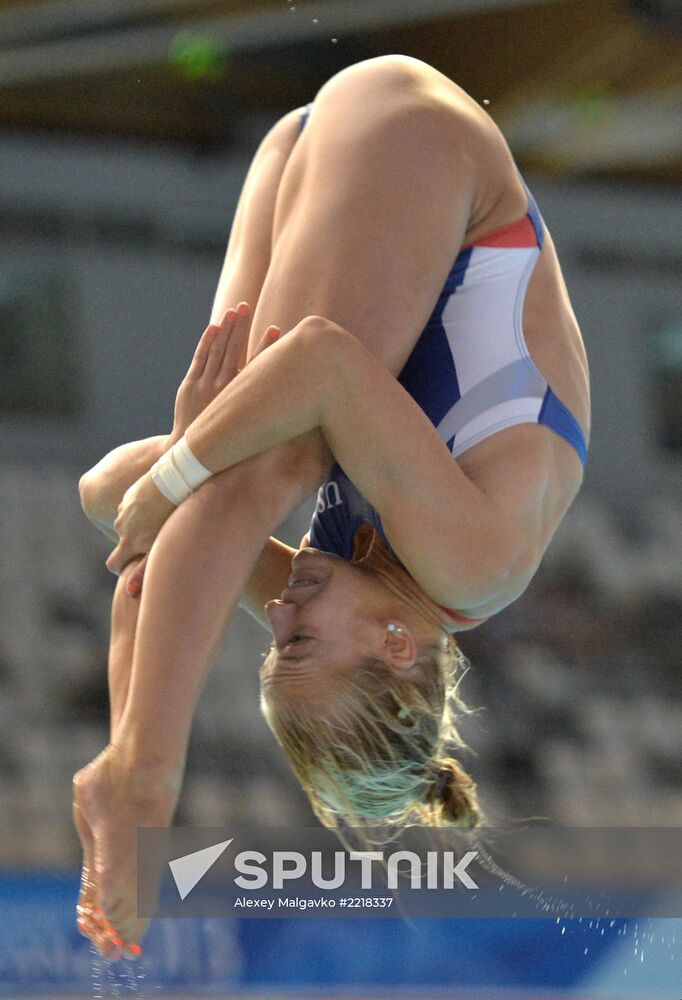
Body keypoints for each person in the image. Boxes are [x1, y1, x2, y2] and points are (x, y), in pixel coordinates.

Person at [73, 54, 590, 959]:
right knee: (262, 459)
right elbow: (316, 358)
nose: (277, 611)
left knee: (236, 468)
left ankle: (135, 763)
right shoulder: (476, 562)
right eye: (300, 641)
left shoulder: (355, 576)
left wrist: (186, 464)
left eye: (274, 640)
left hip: (317, 161)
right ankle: (146, 779)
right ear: (399, 646)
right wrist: (192, 468)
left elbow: (109, 500)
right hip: (423, 145)